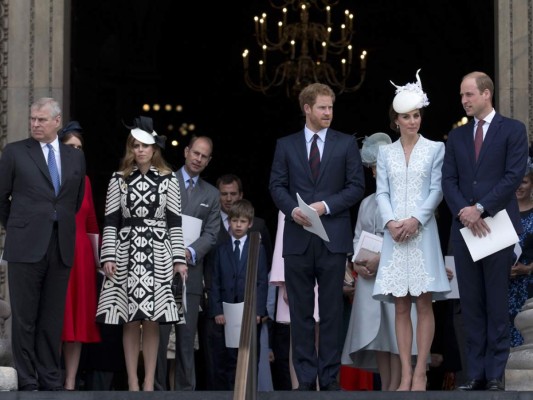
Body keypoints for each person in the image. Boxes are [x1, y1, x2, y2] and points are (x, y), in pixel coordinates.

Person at [269, 82, 365, 391]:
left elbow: (356, 187)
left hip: (332, 237)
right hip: (297, 238)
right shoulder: (286, 145)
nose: (328, 112)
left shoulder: (346, 143)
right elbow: (276, 186)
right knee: (300, 313)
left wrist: (325, 206)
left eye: (331, 107)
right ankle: (307, 380)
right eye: (323, 107)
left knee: (332, 313)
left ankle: (330, 378)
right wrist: (291, 210)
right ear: (307, 108)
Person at [441, 71, 529, 392]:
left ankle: (495, 374)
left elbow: (513, 175)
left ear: (486, 94)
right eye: (462, 96)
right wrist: (466, 212)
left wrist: (481, 208)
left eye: (469, 95)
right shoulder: (458, 137)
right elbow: (448, 180)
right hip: (465, 230)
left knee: (495, 303)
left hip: (497, 228)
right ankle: (474, 373)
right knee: (472, 305)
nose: (464, 100)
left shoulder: (513, 130)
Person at [372, 70, 451, 392]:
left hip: (422, 232)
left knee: (423, 302)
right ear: (396, 120)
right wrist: (391, 222)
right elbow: (381, 193)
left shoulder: (435, 149)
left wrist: (415, 220)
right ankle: (404, 373)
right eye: (406, 116)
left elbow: (437, 190)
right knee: (401, 305)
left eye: (417, 115)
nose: (413, 121)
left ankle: (421, 372)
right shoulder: (385, 152)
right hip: (394, 235)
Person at [95, 116, 187, 392]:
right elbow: (110, 220)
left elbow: (175, 222)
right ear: (131, 148)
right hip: (126, 251)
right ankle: (133, 383)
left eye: (145, 145)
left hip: (159, 251)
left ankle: (148, 383)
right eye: (135, 145)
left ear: (154, 149)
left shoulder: (169, 179)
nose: (140, 150)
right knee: (130, 318)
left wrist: (179, 260)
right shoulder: (118, 179)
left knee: (152, 319)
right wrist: (108, 254)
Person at [0, 97, 86, 391]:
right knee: (24, 317)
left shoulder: (74, 156)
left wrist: (54, 221)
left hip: (60, 243)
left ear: (57, 122)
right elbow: (2, 199)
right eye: (33, 119)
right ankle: (27, 378)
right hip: (25, 244)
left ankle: (50, 376)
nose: (35, 124)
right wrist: (21, 226)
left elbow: (73, 202)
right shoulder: (14, 152)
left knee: (52, 316)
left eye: (41, 119)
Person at [342, 131, 413, 391]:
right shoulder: (367, 203)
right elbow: (357, 237)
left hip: (396, 274)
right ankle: (386, 386)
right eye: (374, 168)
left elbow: (409, 238)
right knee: (379, 333)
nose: (378, 172)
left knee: (397, 331)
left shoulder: (405, 199)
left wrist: (382, 260)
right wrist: (359, 262)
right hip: (370, 279)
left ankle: (398, 384)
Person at [156, 135, 220, 391]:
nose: (198, 159)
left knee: (185, 340)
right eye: (195, 153)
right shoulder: (164, 181)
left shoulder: (212, 194)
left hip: (191, 274)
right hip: (160, 269)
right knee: (158, 339)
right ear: (185, 152)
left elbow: (212, 234)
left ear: (209, 161)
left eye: (204, 156)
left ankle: (186, 394)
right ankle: (156, 391)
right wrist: (169, 254)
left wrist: (188, 253)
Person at [201, 173, 273, 390]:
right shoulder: (220, 249)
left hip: (249, 312)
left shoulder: (257, 248)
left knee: (249, 356)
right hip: (225, 312)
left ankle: (246, 393)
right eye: (235, 221)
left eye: (243, 221)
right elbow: (214, 281)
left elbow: (262, 280)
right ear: (229, 221)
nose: (238, 225)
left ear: (250, 224)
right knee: (223, 358)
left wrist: (259, 311)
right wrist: (217, 311)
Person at [59, 121, 101, 390]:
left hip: (82, 258)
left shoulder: (85, 181)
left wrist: (100, 262)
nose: (75, 151)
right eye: (70, 147)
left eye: (79, 148)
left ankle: (71, 382)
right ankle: (51, 375)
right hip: (55, 254)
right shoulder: (49, 175)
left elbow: (92, 224)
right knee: (57, 319)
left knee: (75, 324)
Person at [510, 161, 533, 347]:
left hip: (529, 287)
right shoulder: (500, 211)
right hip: (502, 286)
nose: (519, 186)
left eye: (524, 181)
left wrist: (529, 268)